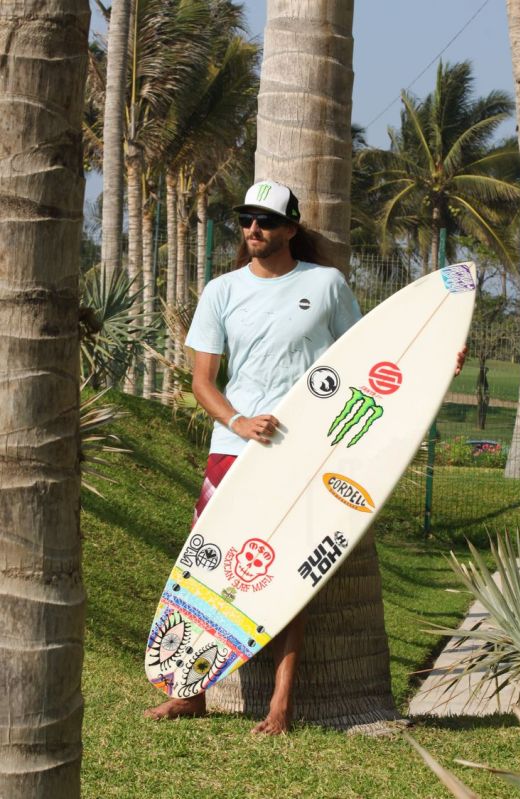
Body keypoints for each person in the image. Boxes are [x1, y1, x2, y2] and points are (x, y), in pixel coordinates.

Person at [144, 179, 468, 733]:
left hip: (307, 456)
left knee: (290, 577)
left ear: (291, 228)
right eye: (247, 219)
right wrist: (238, 422)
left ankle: (281, 704)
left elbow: (374, 361)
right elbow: (203, 382)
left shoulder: (325, 284)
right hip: (235, 450)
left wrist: (439, 362)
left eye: (266, 221)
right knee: (209, 566)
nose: (254, 229)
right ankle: (191, 693)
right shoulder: (222, 291)